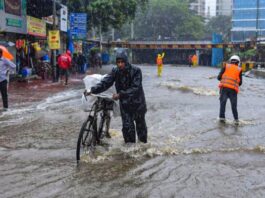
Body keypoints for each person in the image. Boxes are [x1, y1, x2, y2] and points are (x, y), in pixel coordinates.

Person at [86, 51, 148, 143]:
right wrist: (92, 90)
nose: (120, 64)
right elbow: (106, 82)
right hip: (125, 105)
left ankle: (143, 148)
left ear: (126, 62)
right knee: (127, 128)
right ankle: (130, 151)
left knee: (141, 128)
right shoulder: (115, 71)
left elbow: (136, 88)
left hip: (138, 104)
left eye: (122, 62)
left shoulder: (136, 70)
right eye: (118, 62)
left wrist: (120, 94)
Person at [217, 55, 242, 125]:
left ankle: (221, 120)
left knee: (222, 104)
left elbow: (218, 78)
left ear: (230, 61)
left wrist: (225, 79)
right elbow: (240, 83)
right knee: (234, 106)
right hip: (233, 90)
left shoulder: (225, 66)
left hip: (224, 88)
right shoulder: (239, 69)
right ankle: (236, 120)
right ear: (238, 62)